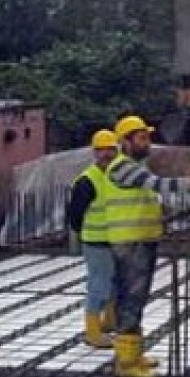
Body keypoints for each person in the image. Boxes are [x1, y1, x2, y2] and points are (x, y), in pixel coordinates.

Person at [106, 115, 190, 377]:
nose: (147, 142)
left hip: (141, 240)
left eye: (147, 137)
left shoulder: (137, 168)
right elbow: (162, 185)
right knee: (131, 300)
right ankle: (126, 364)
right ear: (125, 142)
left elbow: (160, 194)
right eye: (141, 138)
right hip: (130, 244)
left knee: (135, 299)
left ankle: (133, 354)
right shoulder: (122, 167)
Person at [66, 129, 121, 348]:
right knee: (98, 286)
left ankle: (109, 322)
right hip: (96, 242)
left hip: (116, 240)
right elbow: (75, 214)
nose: (106, 154)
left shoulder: (117, 175)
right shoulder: (88, 180)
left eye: (110, 149)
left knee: (114, 283)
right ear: (94, 152)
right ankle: (93, 332)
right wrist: (84, 234)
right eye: (101, 150)